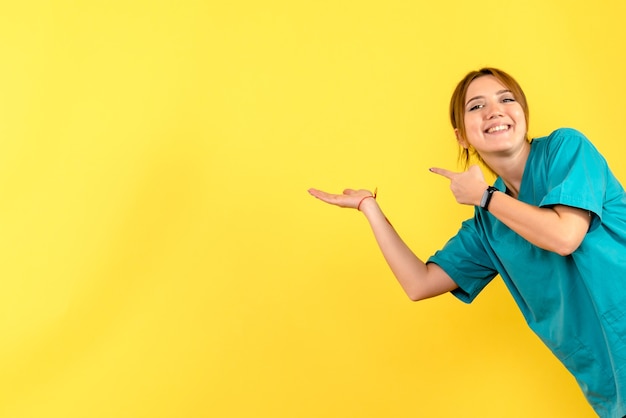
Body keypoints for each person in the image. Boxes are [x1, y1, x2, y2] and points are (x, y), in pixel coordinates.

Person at [308, 67, 626, 418]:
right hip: (607, 375)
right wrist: (369, 208)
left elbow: (565, 236)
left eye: (507, 99)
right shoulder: (487, 226)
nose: (495, 110)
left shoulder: (566, 149)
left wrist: (486, 196)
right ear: (462, 137)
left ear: (522, 113)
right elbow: (419, 283)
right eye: (477, 106)